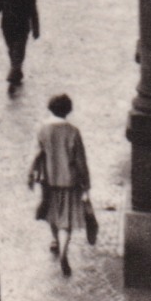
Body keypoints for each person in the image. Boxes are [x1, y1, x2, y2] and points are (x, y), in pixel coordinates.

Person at [30, 94, 91, 277]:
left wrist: (31, 175)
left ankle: (55, 240)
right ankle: (64, 250)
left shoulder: (42, 129)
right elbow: (80, 161)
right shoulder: (73, 132)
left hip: (48, 181)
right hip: (70, 182)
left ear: (50, 108)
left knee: (52, 213)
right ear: (68, 110)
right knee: (66, 219)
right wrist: (86, 184)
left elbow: (36, 154)